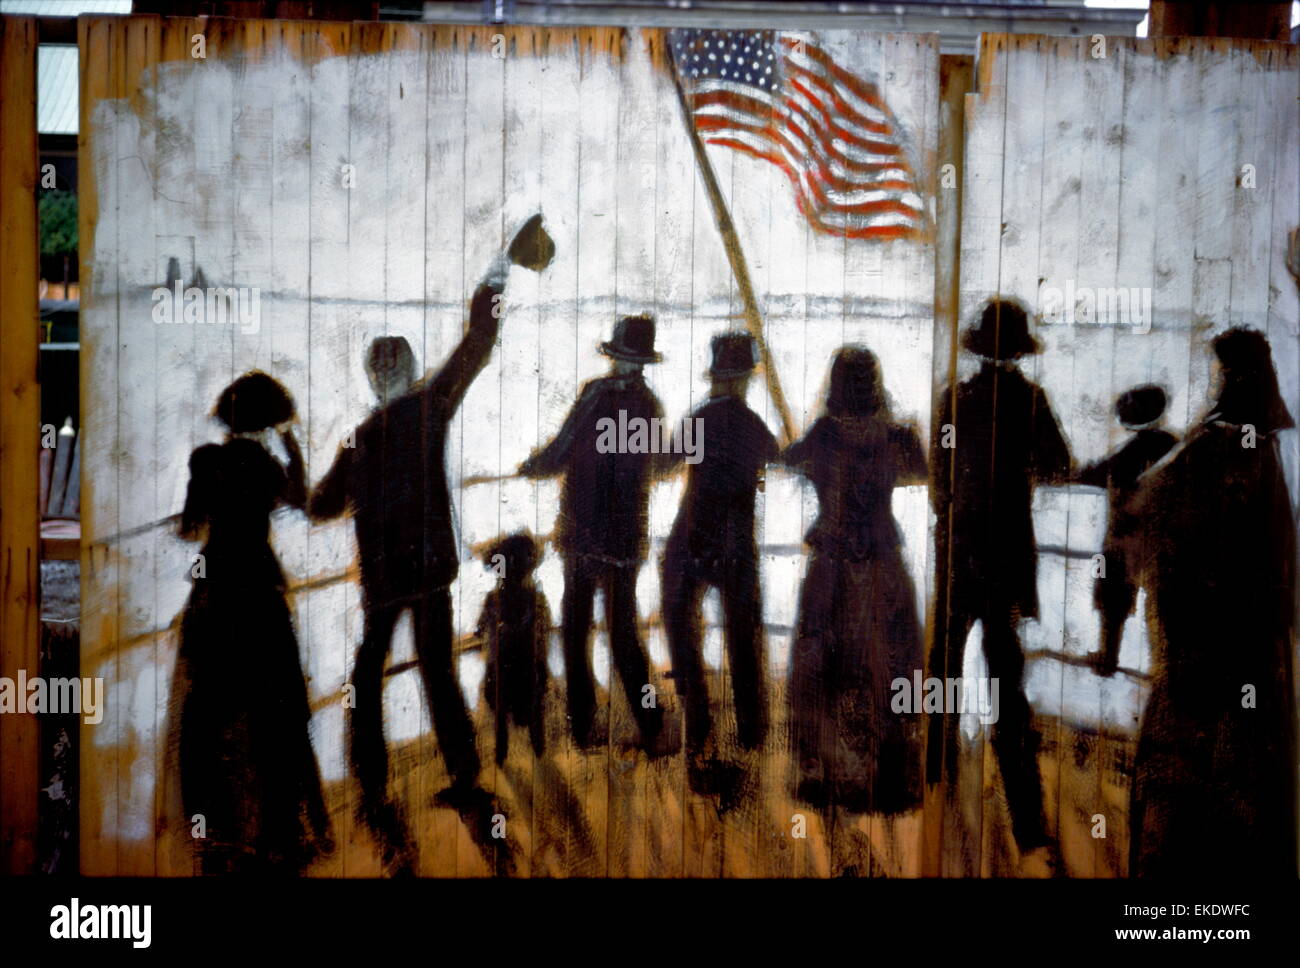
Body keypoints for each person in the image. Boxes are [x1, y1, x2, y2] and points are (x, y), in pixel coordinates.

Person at [310, 216, 554, 863]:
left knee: (366, 675)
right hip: (433, 571)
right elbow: (479, 341)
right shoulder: (430, 409)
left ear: (371, 379)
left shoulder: (359, 440)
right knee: (440, 671)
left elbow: (320, 504)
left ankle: (370, 789)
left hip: (385, 580)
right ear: (412, 371)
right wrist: (498, 270)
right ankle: (466, 776)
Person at [1124, 328, 1296, 877]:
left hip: (1193, 647)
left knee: (1182, 778)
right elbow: (1283, 567)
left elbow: (1143, 520)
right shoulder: (1261, 454)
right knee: (1244, 780)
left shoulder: (1204, 451)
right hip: (1251, 656)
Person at [927, 298, 1070, 857]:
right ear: (1016, 351)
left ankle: (935, 778)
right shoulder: (1029, 400)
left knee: (942, 664)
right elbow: (1058, 464)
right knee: (1007, 685)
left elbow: (940, 477)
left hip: (959, 551)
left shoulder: (955, 400)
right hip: (1006, 559)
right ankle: (1027, 821)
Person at [174, 371, 332, 874]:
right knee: (280, 714)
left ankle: (211, 831)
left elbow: (188, 527)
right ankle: (286, 833)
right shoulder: (265, 465)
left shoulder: (207, 460)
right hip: (261, 594)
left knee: (204, 719)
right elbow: (305, 500)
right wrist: (291, 442)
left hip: (217, 593)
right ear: (269, 419)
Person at [783, 347, 928, 814]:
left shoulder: (823, 435)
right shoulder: (897, 437)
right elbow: (924, 468)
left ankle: (829, 775)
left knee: (820, 669)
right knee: (889, 670)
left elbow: (790, 459)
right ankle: (891, 779)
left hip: (833, 567)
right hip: (882, 565)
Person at [518, 314, 669, 753]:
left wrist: (533, 466)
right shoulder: (649, 404)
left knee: (577, 631)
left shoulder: (594, 395)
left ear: (616, 356)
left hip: (582, 535)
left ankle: (584, 727)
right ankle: (651, 723)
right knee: (624, 634)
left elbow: (561, 449)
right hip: (623, 538)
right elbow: (659, 462)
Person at [660, 332, 779, 800]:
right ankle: (752, 732)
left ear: (716, 376)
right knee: (744, 638)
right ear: (748, 378)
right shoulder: (752, 424)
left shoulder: (701, 418)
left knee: (682, 630)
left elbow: (664, 460)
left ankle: (700, 729)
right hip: (735, 545)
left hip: (693, 539)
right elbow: (776, 456)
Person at [1076, 384, 1177, 675]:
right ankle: (1165, 665)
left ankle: (1108, 655)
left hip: (1124, 538)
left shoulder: (1128, 453)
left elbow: (1092, 474)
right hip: (1162, 539)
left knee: (1111, 597)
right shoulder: (1173, 445)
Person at [476, 532, 552, 766]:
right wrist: (542, 662)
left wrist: (482, 634)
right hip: (529, 663)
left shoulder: (493, 599)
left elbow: (481, 628)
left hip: (501, 665)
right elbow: (542, 632)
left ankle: (501, 754)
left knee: (500, 709)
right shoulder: (536, 599)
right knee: (534, 708)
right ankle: (539, 750)